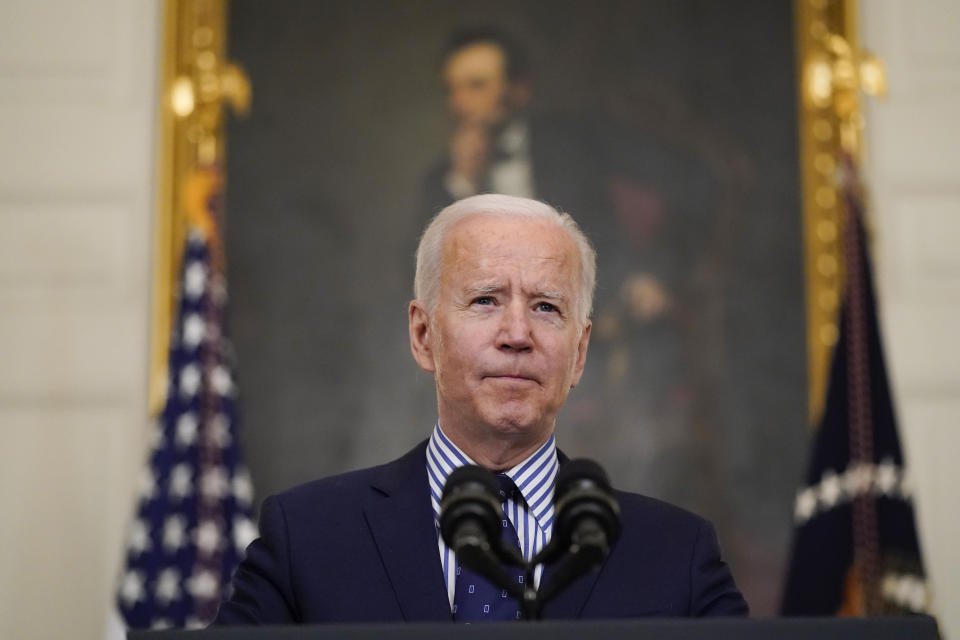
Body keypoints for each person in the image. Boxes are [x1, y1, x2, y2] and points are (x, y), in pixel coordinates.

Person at [214, 194, 748, 624]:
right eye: (485, 300)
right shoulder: (307, 537)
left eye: (546, 307)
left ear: (579, 353)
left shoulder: (678, 555)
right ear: (424, 336)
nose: (517, 335)